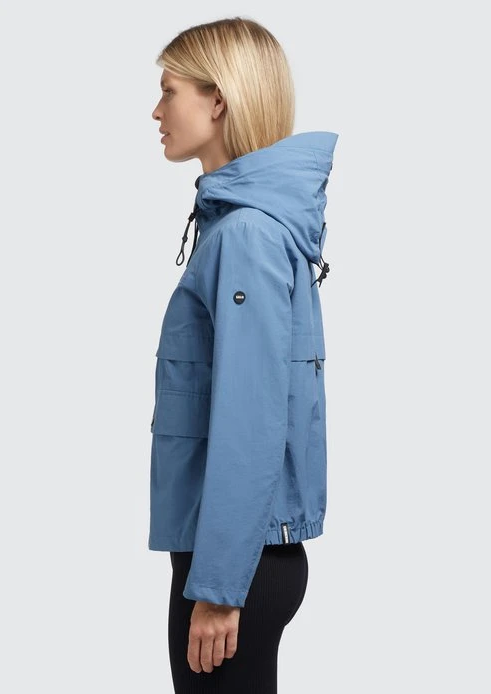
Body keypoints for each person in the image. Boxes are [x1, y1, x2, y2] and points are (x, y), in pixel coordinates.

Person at [149, 16, 338, 693]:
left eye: (169, 91)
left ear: (219, 100)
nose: (157, 111)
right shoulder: (239, 227)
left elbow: (251, 417)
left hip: (236, 563)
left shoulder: (247, 236)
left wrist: (220, 587)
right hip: (236, 553)